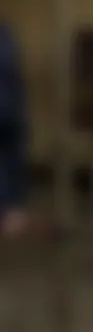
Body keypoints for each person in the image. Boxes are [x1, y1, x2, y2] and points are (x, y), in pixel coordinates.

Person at [0, 23, 27, 239]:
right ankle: (14, 212)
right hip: (13, 109)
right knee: (12, 157)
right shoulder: (6, 35)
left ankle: (8, 210)